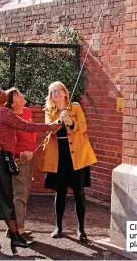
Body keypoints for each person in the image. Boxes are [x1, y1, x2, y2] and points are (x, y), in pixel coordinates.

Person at [0, 82, 62, 255]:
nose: (3, 91)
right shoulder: (3, 111)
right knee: (6, 197)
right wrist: (51, 126)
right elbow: (26, 126)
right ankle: (15, 236)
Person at [38, 81, 97, 242]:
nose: (56, 94)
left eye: (58, 91)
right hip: (58, 156)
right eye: (52, 92)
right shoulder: (49, 110)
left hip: (76, 155)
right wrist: (59, 121)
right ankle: (58, 226)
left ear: (65, 93)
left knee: (79, 192)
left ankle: (82, 229)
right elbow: (48, 128)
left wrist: (71, 122)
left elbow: (83, 127)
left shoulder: (75, 107)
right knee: (60, 191)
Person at [5, 87, 36, 238]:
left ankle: (14, 228)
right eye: (17, 95)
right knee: (19, 194)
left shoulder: (27, 112)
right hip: (19, 159)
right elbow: (6, 143)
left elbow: (32, 131)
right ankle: (18, 231)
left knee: (24, 193)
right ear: (11, 103)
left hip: (30, 158)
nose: (22, 95)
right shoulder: (10, 118)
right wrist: (18, 155)